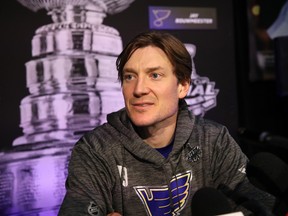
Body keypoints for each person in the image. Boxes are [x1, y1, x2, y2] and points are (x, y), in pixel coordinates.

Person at [58, 31, 275, 216]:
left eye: (154, 75)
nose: (139, 89)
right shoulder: (95, 149)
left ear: (182, 86)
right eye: (129, 77)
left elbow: (259, 203)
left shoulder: (212, 139)